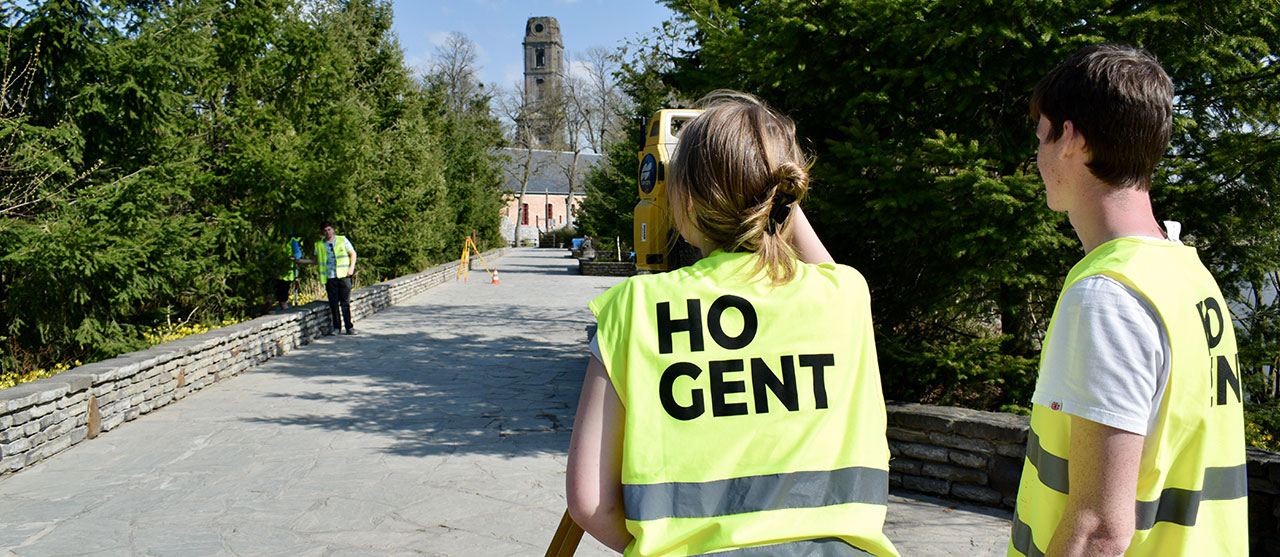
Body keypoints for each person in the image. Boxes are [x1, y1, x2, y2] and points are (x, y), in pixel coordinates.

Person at [567, 91, 899, 556]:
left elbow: (589, 503)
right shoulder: (844, 295)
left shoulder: (634, 308)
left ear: (682, 202)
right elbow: (821, 265)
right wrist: (773, 197)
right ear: (788, 193)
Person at [1008, 45, 1247, 556]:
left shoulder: (1108, 295)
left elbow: (1099, 529)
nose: (1038, 157)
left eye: (1040, 138)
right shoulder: (1187, 273)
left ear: (1069, 138)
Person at [297, 221, 358, 335]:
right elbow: (314, 260)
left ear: (333, 230)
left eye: (329, 229)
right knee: (333, 303)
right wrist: (299, 261)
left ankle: (349, 327)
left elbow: (352, 253)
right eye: (325, 230)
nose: (327, 232)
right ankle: (336, 328)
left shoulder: (342, 240)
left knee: (345, 302)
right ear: (322, 232)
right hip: (330, 277)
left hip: (343, 275)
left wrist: (351, 268)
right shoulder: (319, 245)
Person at [274, 235, 303, 311]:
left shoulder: (292, 241)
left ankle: (286, 311)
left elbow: (298, 254)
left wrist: (291, 258)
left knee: (283, 298)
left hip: (287, 274)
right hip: (275, 272)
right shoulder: (274, 239)